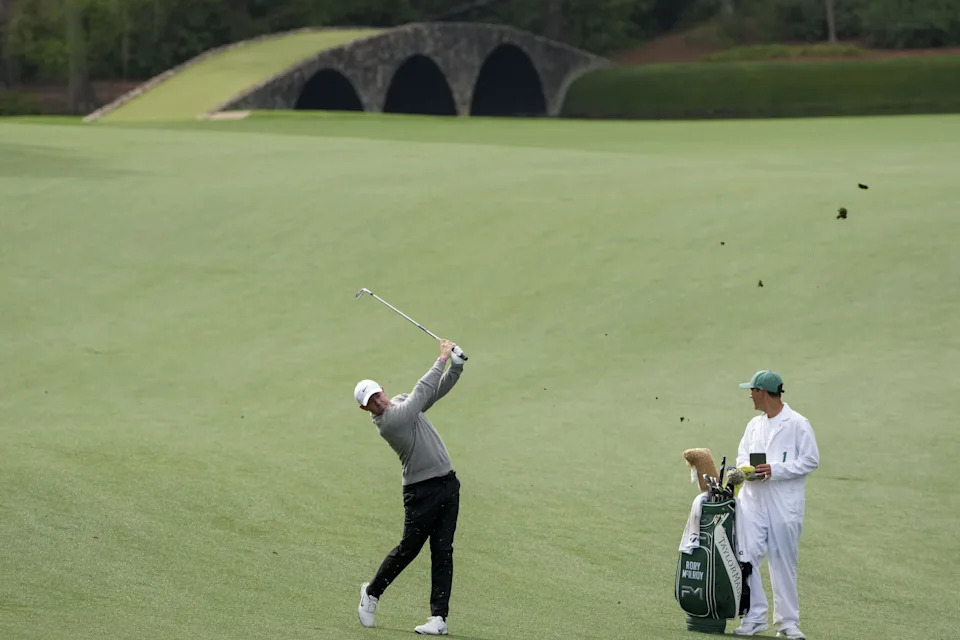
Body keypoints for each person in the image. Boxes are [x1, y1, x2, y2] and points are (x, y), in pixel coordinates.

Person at [354, 339, 466, 636]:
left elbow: (433, 392)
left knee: (443, 551)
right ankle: (372, 592)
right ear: (366, 409)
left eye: (378, 395)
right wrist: (441, 358)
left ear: (382, 390)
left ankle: (439, 618)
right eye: (371, 402)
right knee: (409, 549)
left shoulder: (403, 403)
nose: (378, 401)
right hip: (421, 492)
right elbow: (422, 391)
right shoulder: (389, 422)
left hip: (447, 484)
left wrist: (456, 367)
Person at [733, 370, 820, 640]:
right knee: (746, 555)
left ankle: (787, 623)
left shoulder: (797, 423)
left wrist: (776, 469)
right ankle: (754, 616)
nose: (749, 395)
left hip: (784, 503)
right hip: (753, 498)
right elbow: (741, 456)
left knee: (783, 561)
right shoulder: (754, 425)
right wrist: (745, 471)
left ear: (762, 392)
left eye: (752, 390)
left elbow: (810, 460)